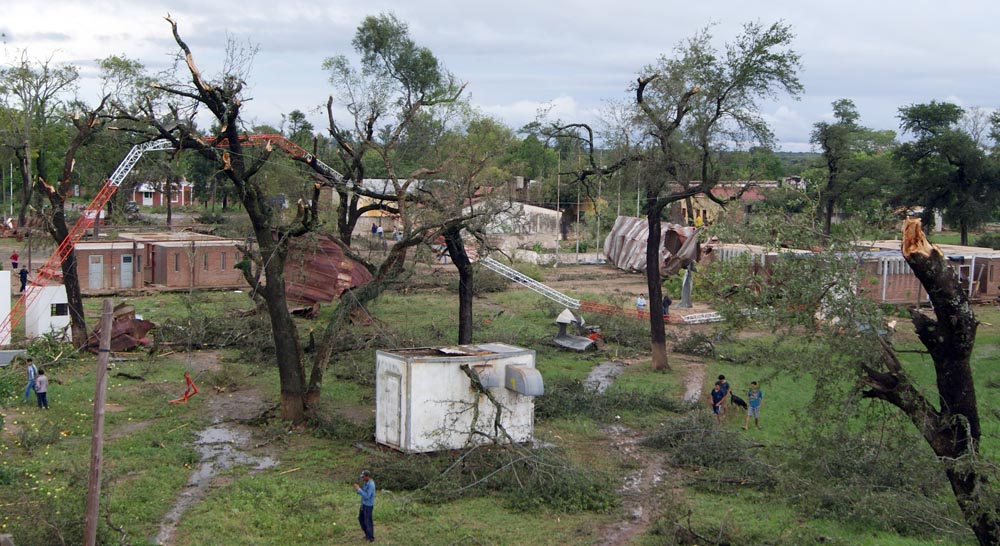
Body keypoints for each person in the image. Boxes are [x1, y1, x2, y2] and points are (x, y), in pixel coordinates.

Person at [354, 470, 376, 542]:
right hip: (363, 505)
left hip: (368, 506)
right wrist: (358, 490)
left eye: (363, 477)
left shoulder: (371, 485)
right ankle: (367, 534)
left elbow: (367, 496)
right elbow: (363, 493)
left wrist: (359, 489)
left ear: (368, 477)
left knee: (368, 521)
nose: (362, 478)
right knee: (361, 519)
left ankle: (371, 538)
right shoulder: (365, 483)